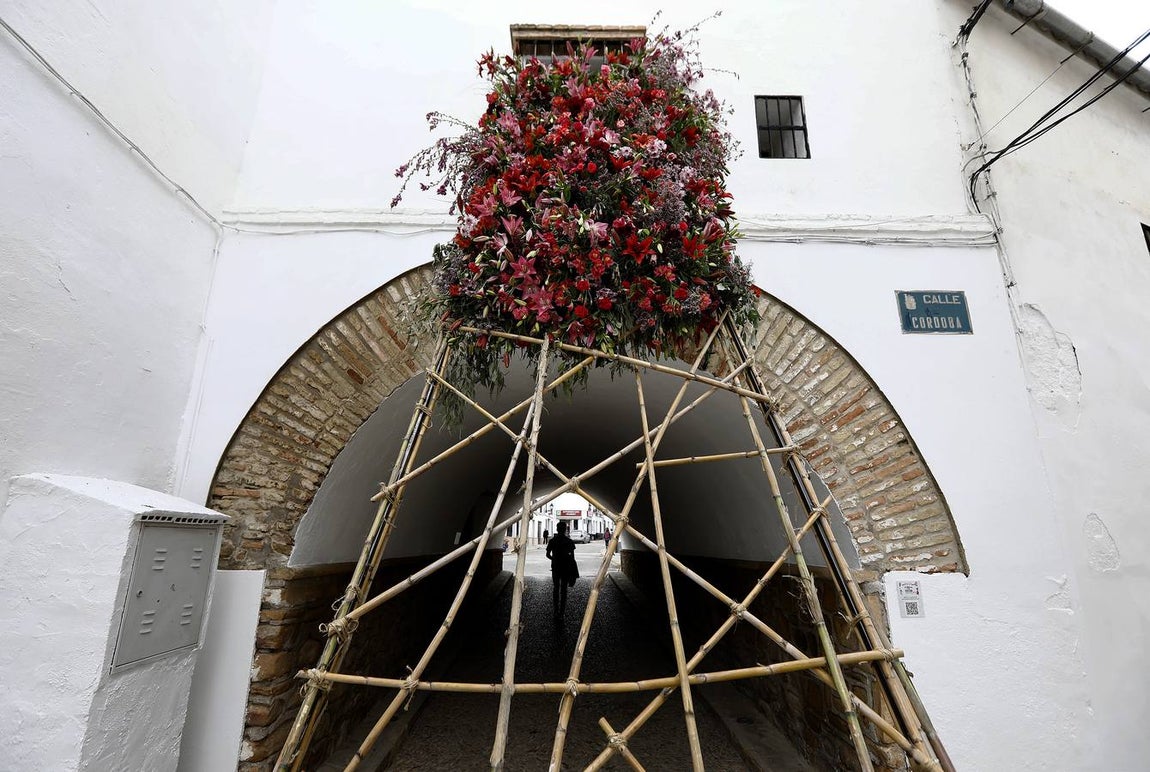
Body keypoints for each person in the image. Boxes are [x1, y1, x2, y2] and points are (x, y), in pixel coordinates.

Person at [545, 522, 578, 616]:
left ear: (557, 529)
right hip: (566, 568)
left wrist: (554, 559)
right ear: (565, 530)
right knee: (564, 590)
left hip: (555, 567)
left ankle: (555, 610)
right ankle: (562, 612)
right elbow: (572, 558)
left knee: (556, 588)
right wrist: (573, 572)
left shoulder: (552, 541)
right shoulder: (569, 541)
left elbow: (547, 554)